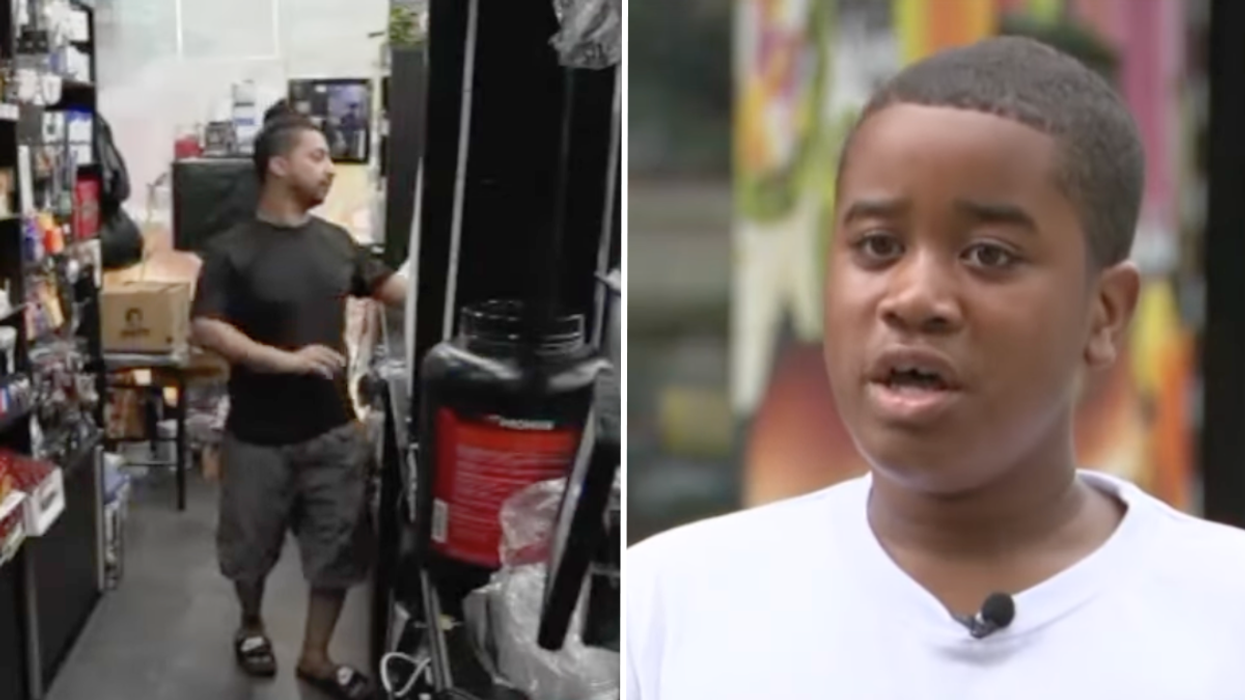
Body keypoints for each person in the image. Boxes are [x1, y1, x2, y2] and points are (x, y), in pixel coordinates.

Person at [626, 37, 1245, 699]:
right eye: (877, 245)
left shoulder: (1220, 614)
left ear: (1103, 313)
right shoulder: (668, 604)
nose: (914, 298)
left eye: (988, 255)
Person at [191, 114, 404, 700]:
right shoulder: (232, 250)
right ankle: (252, 624)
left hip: (333, 432)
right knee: (249, 550)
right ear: (278, 165)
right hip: (257, 435)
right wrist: (282, 360)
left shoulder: (335, 243)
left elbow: (394, 289)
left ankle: (315, 656)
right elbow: (205, 327)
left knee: (337, 549)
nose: (331, 167)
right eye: (316, 155)